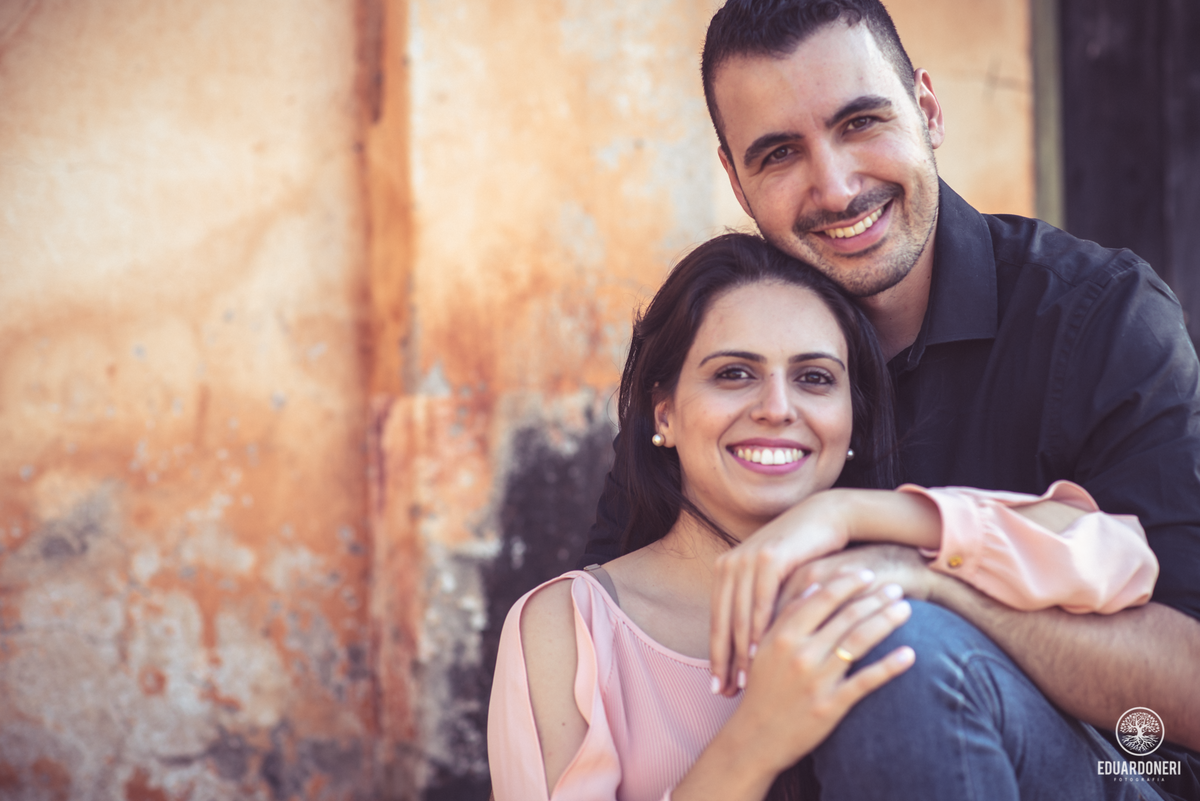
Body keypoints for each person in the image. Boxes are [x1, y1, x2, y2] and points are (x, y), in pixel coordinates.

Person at [580, 0, 1200, 796]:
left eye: (862, 121)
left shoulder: (1098, 316)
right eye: (778, 154)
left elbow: (1186, 690)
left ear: (928, 110)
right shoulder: (722, 363)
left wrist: (919, 576)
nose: (836, 187)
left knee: (887, 642)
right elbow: (616, 619)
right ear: (735, 180)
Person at [491, 234, 1159, 801]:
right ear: (664, 412)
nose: (778, 407)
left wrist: (862, 516)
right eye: (733, 374)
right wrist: (755, 738)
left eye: (814, 378)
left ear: (852, 423)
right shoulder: (567, 628)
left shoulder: (890, 570)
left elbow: (1118, 561)